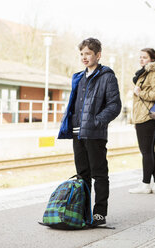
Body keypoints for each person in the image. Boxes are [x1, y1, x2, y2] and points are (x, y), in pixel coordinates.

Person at [58, 38, 121, 227]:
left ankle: (100, 213)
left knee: (99, 174)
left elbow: (114, 105)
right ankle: (83, 212)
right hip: (77, 132)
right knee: (82, 175)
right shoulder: (78, 77)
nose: (84, 58)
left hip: (95, 134)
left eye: (88, 54)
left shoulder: (107, 76)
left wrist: (96, 122)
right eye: (82, 54)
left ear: (98, 55)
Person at [128, 48, 155, 194]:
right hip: (144, 117)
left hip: (147, 117)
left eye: (144, 57)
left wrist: (140, 92)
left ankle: (145, 184)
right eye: (140, 57)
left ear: (151, 59)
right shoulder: (145, 74)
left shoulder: (153, 73)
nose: (141, 60)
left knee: (146, 151)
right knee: (150, 151)